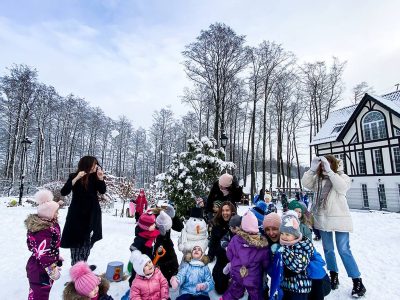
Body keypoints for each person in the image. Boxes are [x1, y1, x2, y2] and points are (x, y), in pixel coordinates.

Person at [302, 155, 366, 297]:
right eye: (322, 165)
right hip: (323, 220)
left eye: (327, 165)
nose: (324, 167)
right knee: (328, 250)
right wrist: (312, 170)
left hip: (340, 220)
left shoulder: (342, 176)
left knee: (344, 250)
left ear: (333, 165)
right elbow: (305, 183)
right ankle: (333, 275)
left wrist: (331, 172)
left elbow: (342, 188)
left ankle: (357, 281)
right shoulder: (318, 179)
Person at [60, 156, 106, 266]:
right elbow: (64, 192)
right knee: (76, 243)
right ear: (87, 165)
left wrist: (100, 178)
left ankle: (83, 265)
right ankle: (77, 268)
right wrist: (76, 178)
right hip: (77, 215)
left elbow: (102, 191)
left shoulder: (95, 177)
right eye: (94, 164)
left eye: (96, 164)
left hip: (92, 215)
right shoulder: (74, 176)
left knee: (87, 242)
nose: (96, 166)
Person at [222, 210, 270, 300]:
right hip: (253, 277)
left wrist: (235, 262)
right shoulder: (262, 245)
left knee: (233, 291)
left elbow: (229, 254)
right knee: (256, 295)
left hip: (237, 273)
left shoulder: (235, 239)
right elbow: (265, 263)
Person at [25, 189, 63, 300]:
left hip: (38, 267)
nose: (57, 214)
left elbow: (37, 248)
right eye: (56, 212)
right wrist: (53, 270)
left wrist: (55, 255)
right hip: (40, 271)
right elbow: (44, 254)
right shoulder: (43, 231)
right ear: (48, 214)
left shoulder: (46, 227)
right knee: (40, 296)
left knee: (37, 294)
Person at [280, 212, 314, 300]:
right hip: (286, 285)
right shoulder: (284, 246)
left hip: (299, 287)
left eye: (287, 234)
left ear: (295, 235)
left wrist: (284, 252)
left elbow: (298, 266)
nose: (284, 236)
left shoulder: (301, 246)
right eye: (282, 233)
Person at [208, 201, 237, 294]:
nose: (225, 213)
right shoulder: (216, 224)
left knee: (236, 288)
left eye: (227, 210)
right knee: (220, 289)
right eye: (223, 210)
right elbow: (212, 242)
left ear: (232, 211)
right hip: (221, 259)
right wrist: (210, 256)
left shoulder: (237, 223)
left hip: (235, 261)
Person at [128, 211, 160, 286]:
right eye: (153, 224)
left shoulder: (151, 233)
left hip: (149, 260)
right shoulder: (141, 238)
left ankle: (145, 284)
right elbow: (132, 247)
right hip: (140, 263)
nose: (155, 225)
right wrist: (138, 256)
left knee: (147, 275)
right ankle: (133, 284)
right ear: (146, 227)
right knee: (136, 273)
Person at [263, 212, 283, 300]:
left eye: (274, 229)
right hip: (269, 269)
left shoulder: (287, 239)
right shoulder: (263, 240)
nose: (271, 233)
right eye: (267, 229)